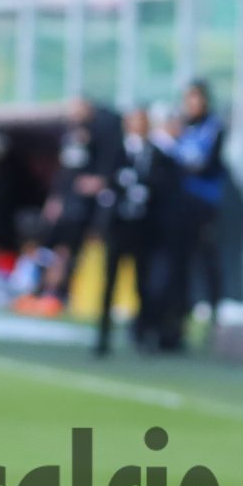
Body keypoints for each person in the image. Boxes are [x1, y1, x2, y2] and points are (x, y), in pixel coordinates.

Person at [93, 105, 174, 355]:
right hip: (118, 226)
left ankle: (143, 334)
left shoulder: (157, 155)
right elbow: (106, 181)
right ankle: (102, 336)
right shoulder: (116, 151)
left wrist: (146, 191)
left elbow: (164, 190)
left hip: (143, 228)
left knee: (144, 283)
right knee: (110, 282)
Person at [161, 81, 228, 336]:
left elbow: (203, 163)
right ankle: (178, 314)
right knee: (180, 261)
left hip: (204, 203)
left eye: (195, 98)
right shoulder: (182, 127)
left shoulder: (213, 127)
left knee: (207, 258)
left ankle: (214, 313)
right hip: (180, 204)